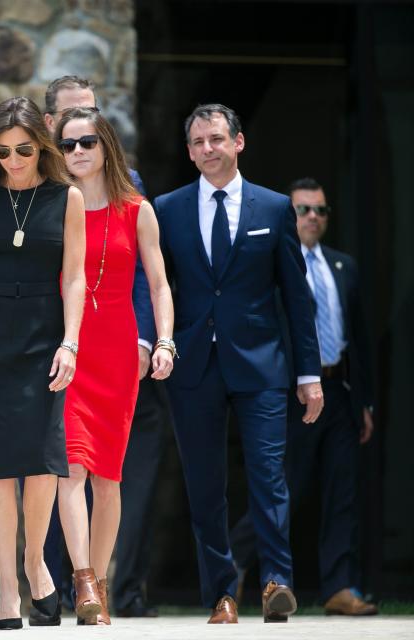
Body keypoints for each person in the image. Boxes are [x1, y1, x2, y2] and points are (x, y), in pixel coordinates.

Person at [154, 104, 323, 624]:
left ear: (239, 143)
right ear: (189, 151)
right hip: (194, 366)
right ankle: (222, 594)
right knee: (205, 485)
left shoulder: (274, 209)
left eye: (217, 139)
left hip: (262, 366)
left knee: (269, 476)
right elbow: (160, 288)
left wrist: (309, 374)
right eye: (199, 142)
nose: (208, 149)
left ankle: (277, 581)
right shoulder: (168, 208)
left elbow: (297, 297)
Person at [43, 73, 166, 620]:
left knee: (109, 477)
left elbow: (159, 283)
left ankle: (101, 577)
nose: (76, 151)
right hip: (69, 347)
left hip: (117, 349)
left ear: (105, 146)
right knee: (71, 467)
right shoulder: (49, 206)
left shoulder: (136, 207)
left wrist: (162, 341)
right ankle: (84, 581)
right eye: (66, 144)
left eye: (87, 141)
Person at [0, 96, 86, 629]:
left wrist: (71, 343)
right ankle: (9, 588)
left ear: (42, 146)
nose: (13, 160)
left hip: (45, 334)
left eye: (25, 150)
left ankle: (36, 560)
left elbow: (75, 278)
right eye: (4, 150)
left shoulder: (67, 198)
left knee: (41, 464)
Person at [229, 178, 377, 616]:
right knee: (283, 486)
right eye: (303, 209)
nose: (313, 217)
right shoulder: (273, 265)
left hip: (341, 394)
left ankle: (339, 586)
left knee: (342, 491)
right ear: (287, 215)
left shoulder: (343, 267)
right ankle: (235, 561)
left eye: (321, 210)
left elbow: (360, 340)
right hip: (292, 393)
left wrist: (365, 401)